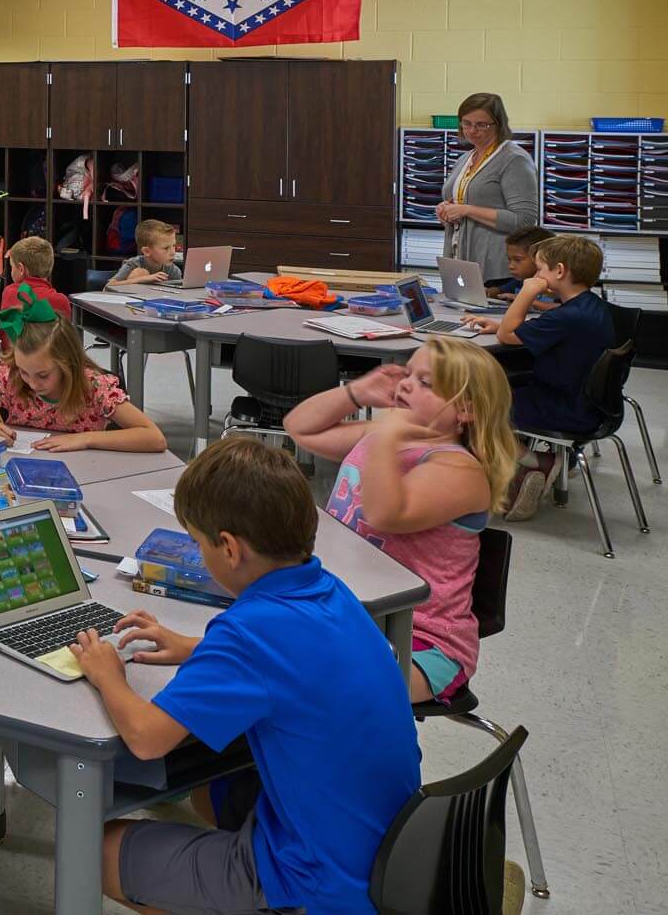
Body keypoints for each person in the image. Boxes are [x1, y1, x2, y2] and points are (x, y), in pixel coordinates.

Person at [67, 439, 420, 915]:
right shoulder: (331, 591)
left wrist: (108, 675)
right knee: (210, 794)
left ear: (229, 548)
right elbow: (296, 661)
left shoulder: (248, 633)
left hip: (318, 886)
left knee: (97, 851)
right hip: (389, 858)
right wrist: (196, 647)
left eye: (197, 541)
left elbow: (148, 739)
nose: (198, 551)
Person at [283, 338, 517, 701]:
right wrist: (356, 394)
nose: (406, 384)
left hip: (419, 640)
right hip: (347, 612)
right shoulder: (381, 438)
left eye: (425, 383)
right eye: (408, 374)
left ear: (465, 410)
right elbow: (300, 428)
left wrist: (388, 437)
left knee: (303, 688)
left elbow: (384, 515)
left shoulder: (458, 468)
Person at [467, 233, 614, 519]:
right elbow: (518, 332)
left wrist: (525, 293)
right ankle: (518, 470)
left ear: (559, 271)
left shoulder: (566, 316)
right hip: (585, 402)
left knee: (473, 409)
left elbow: (507, 335)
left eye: (541, 270)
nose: (536, 275)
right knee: (494, 389)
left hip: (563, 407)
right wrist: (500, 325)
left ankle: (536, 463)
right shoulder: (586, 307)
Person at [0, 310, 166, 453]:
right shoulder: (10, 378)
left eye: (43, 375)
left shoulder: (94, 387)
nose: (32, 383)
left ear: (68, 364)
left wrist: (85, 439)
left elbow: (153, 437)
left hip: (87, 475)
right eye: (25, 372)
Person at [436, 92, 538, 282]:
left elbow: (524, 221)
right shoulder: (465, 158)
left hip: (495, 268)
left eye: (481, 125)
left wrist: (466, 210)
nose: (472, 131)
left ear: (498, 124)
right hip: (460, 259)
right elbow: (462, 200)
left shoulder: (514, 159)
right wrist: (446, 209)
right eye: (466, 123)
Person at [489, 224, 557, 311]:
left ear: (540, 257)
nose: (511, 266)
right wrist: (487, 292)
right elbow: (499, 291)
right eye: (509, 259)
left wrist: (526, 301)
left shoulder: (556, 285)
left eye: (518, 260)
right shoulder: (520, 282)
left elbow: (567, 309)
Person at [110, 219, 181, 286]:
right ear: (147, 251)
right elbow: (108, 287)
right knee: (140, 272)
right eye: (166, 248)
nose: (173, 252)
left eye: (174, 246)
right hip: (132, 298)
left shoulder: (173, 271)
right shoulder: (133, 264)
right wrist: (140, 279)